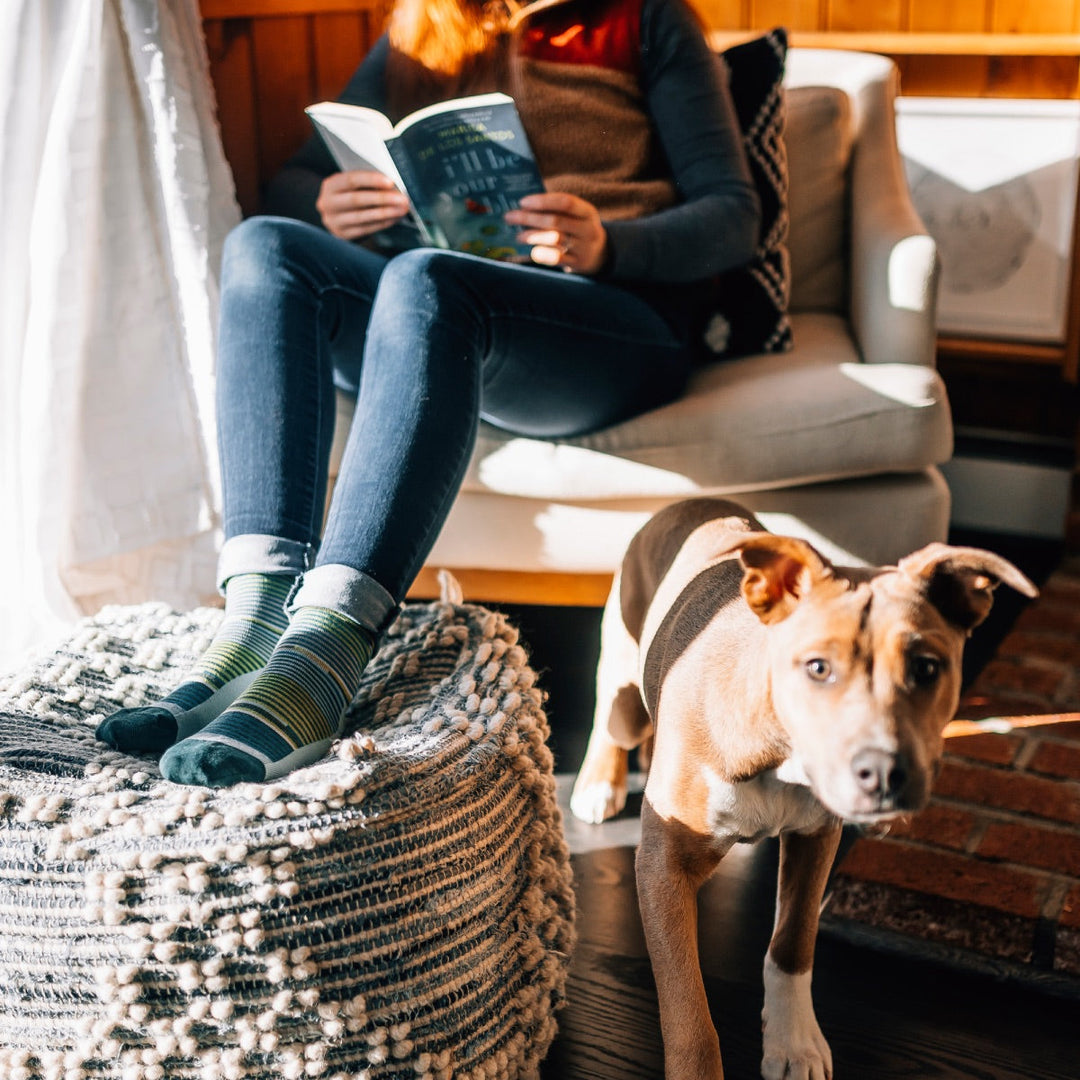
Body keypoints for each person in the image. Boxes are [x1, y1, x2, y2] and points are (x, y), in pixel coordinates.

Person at [96, 0, 761, 786]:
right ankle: (253, 626)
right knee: (266, 246)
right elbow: (298, 175)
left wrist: (610, 242)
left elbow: (733, 215)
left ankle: (324, 660)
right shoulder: (425, 25)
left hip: (611, 325)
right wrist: (324, 200)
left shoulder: (645, 20)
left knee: (426, 279)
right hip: (453, 312)